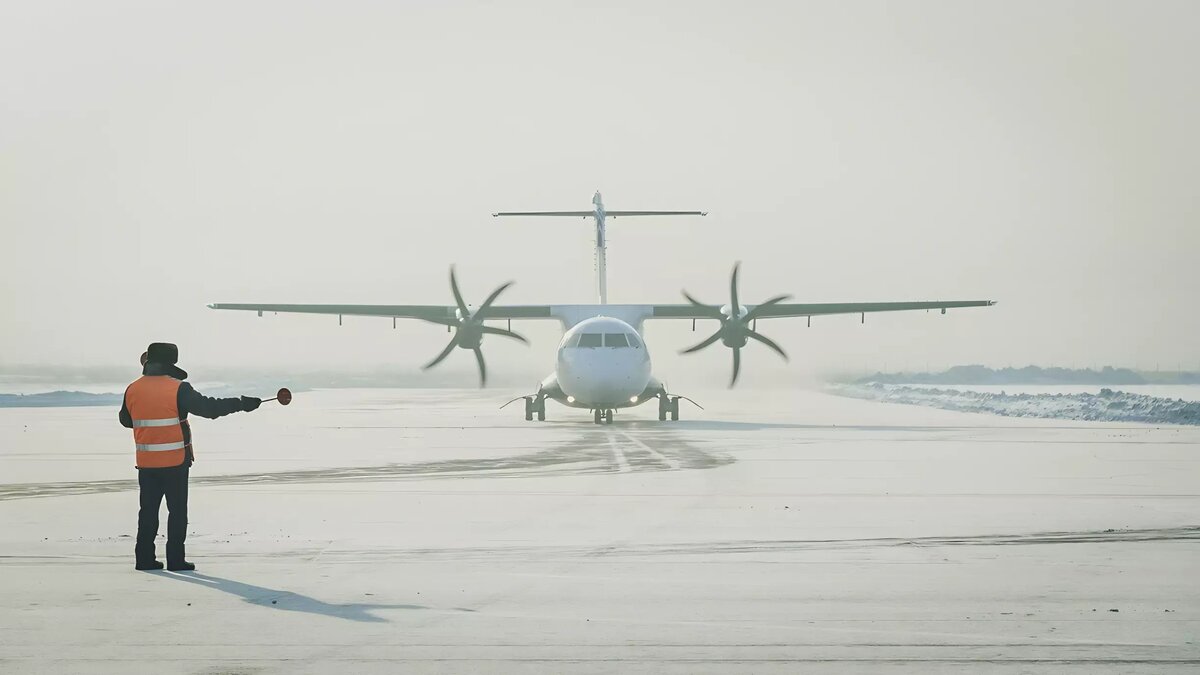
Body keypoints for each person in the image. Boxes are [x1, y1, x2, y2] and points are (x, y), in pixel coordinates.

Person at [119, 343, 262, 571]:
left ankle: (144, 559)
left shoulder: (133, 389)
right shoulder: (178, 388)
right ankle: (176, 560)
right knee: (177, 512)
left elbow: (126, 420)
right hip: (175, 461)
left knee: (147, 512)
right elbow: (209, 408)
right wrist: (241, 404)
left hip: (146, 462)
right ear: (172, 362)